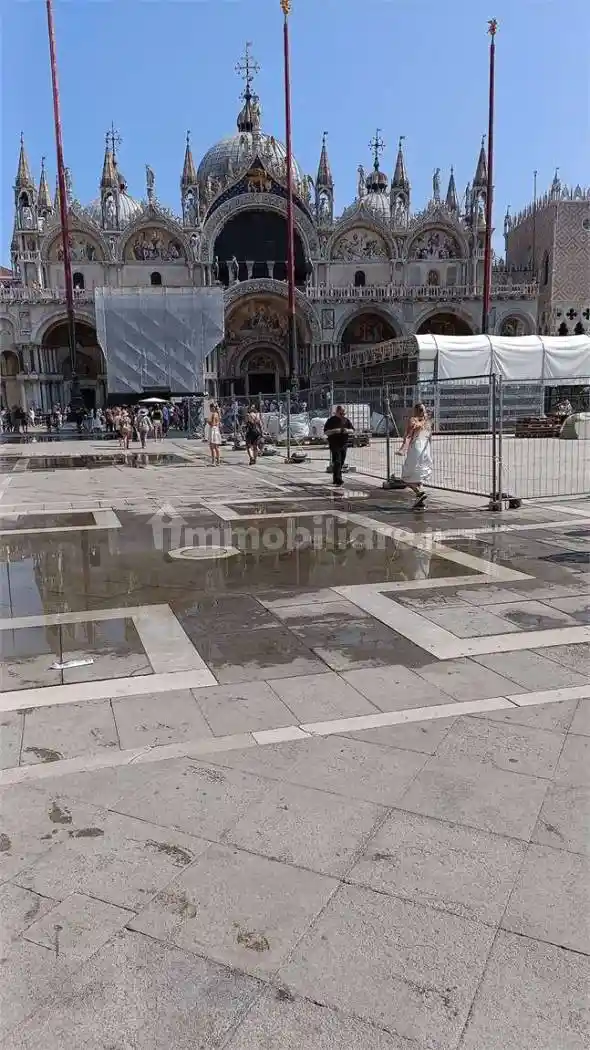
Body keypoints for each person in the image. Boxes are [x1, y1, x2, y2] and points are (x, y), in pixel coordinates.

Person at [396, 402, 433, 509]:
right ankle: (420, 501)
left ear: (415, 410)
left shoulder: (413, 420)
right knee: (419, 475)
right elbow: (429, 437)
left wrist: (403, 449)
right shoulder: (428, 422)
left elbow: (408, 436)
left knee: (406, 476)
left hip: (416, 448)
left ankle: (419, 493)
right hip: (425, 450)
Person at [324, 405, 354, 486]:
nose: (343, 415)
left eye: (344, 413)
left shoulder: (346, 421)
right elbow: (326, 432)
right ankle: (338, 479)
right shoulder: (331, 420)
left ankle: (336, 477)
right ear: (337, 412)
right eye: (341, 413)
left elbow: (352, 430)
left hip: (343, 443)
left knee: (341, 461)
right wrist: (335, 431)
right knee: (337, 461)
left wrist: (346, 430)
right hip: (334, 443)